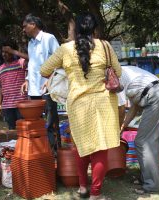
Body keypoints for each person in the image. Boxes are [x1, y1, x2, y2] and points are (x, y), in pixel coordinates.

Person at [40, 13, 121, 200]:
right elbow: (118, 71)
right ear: (95, 29)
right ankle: (95, 194)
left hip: (78, 105)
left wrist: (63, 71)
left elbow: (44, 70)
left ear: (76, 30)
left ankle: (83, 188)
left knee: (82, 147)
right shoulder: (105, 46)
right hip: (103, 103)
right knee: (101, 148)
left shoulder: (65, 49)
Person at [119, 65, 159, 194]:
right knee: (152, 140)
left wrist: (116, 130)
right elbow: (134, 108)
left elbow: (121, 109)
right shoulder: (129, 73)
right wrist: (123, 127)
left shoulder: (117, 76)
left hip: (156, 96)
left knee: (143, 142)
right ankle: (147, 178)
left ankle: (152, 185)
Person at [20, 14, 61, 151]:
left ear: (33, 24)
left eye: (25, 26)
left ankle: (54, 151)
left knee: (50, 121)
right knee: (36, 121)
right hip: (34, 88)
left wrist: (50, 80)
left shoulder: (49, 38)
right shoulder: (31, 43)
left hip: (48, 88)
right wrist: (26, 80)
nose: (24, 30)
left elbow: (60, 60)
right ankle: (40, 150)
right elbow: (33, 63)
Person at [0, 40, 28, 129]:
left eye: (7, 52)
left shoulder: (21, 63)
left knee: (23, 129)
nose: (4, 54)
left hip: (21, 104)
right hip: (7, 105)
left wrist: (14, 51)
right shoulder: (0, 68)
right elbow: (1, 87)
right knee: (12, 130)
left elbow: (31, 58)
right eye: (3, 52)